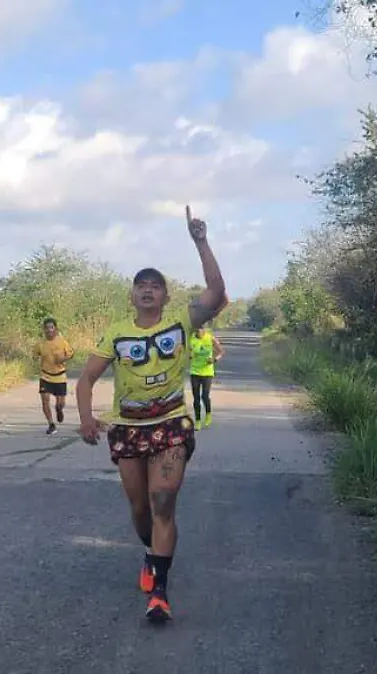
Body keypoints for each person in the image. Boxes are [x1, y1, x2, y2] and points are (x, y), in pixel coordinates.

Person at [75, 206, 227, 623]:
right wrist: (87, 418)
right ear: (132, 295)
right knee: (140, 509)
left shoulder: (181, 323)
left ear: (165, 296)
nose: (147, 291)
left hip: (171, 422)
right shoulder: (117, 332)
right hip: (127, 427)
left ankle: (159, 591)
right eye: (140, 286)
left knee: (163, 502)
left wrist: (201, 241)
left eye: (155, 286)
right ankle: (150, 552)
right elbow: (86, 379)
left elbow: (216, 289)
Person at [34, 317, 74, 435]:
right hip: (45, 376)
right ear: (44, 330)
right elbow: (35, 355)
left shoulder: (62, 342)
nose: (49, 330)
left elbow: (71, 354)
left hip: (60, 376)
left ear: (55, 329)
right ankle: (51, 424)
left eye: (51, 327)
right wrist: (35, 359)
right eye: (46, 328)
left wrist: (63, 358)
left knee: (60, 403)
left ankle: (59, 409)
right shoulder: (40, 344)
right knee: (45, 400)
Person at [188, 321, 224, 428]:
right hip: (195, 371)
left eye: (201, 330)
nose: (199, 332)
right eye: (197, 330)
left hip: (207, 372)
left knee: (204, 395)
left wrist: (214, 359)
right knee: (196, 397)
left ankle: (208, 414)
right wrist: (189, 356)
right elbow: (187, 352)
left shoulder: (210, 338)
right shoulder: (192, 339)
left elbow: (221, 352)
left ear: (204, 330)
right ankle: (198, 420)